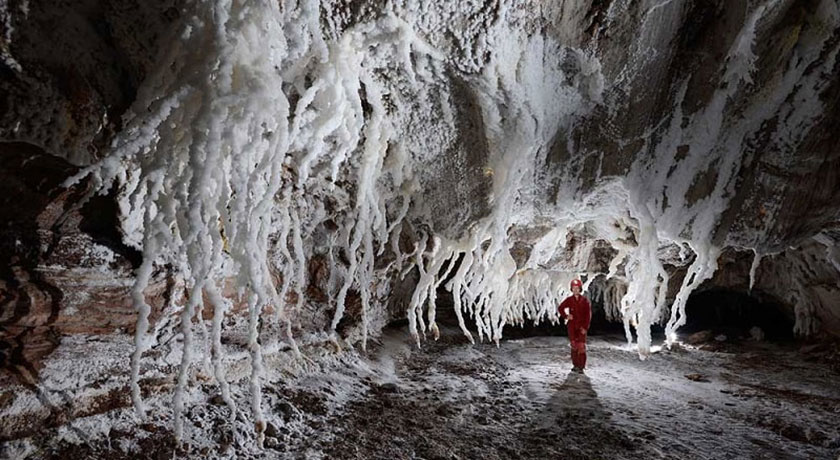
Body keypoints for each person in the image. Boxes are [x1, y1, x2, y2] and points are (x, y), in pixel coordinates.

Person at [558, 279, 591, 374]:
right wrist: (566, 316)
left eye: (577, 288)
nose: (575, 290)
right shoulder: (569, 300)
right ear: (571, 289)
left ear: (580, 289)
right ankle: (575, 365)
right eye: (573, 288)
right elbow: (560, 308)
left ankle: (581, 366)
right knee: (574, 346)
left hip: (581, 327)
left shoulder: (585, 301)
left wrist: (585, 328)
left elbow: (588, 316)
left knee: (581, 346)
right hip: (572, 326)